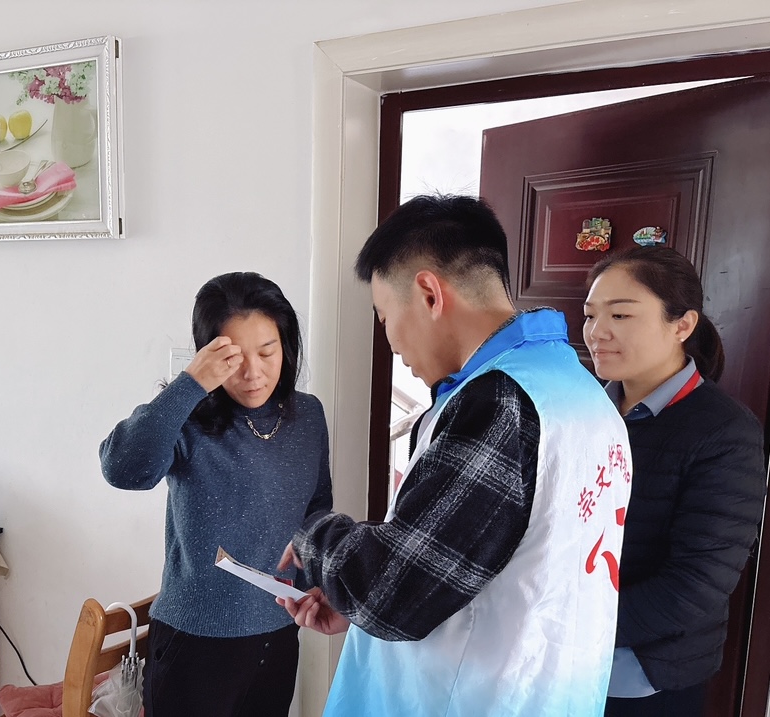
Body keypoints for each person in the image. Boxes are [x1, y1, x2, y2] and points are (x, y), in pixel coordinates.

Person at [279, 194, 632, 716]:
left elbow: (394, 595)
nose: (392, 343)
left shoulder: (500, 402)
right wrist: (356, 604)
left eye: (384, 316)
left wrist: (312, 536)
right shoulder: (580, 392)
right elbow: (490, 563)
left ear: (428, 293)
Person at [99, 272, 332, 717]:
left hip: (278, 637)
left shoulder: (308, 415)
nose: (253, 372)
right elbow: (123, 469)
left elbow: (317, 508)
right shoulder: (186, 418)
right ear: (207, 356)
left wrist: (315, 584)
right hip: (194, 644)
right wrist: (189, 384)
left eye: (267, 351)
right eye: (232, 358)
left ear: (286, 347)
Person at [583, 246, 765, 717]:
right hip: (553, 658)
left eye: (620, 314)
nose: (597, 332)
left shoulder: (724, 432)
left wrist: (572, 625)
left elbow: (695, 587)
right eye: (590, 315)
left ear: (682, 325)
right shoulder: (583, 409)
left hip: (640, 675)